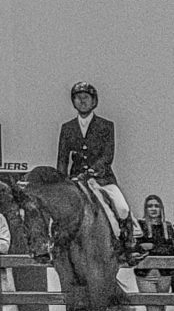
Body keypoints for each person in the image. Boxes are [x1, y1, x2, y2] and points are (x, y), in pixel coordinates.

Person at [57, 83, 135, 254]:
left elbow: (108, 155)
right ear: (73, 101)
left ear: (94, 101)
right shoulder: (67, 128)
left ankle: (127, 244)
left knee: (122, 208)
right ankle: (53, 246)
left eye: (86, 98)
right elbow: (62, 159)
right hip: (76, 181)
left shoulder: (106, 126)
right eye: (78, 98)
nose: (82, 101)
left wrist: (94, 169)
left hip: (102, 178)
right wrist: (61, 183)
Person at [137, 194, 172, 311]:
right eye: (150, 206)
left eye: (156, 206)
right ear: (146, 208)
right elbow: (135, 248)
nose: (153, 209)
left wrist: (151, 249)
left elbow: (170, 249)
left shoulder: (168, 227)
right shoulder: (140, 226)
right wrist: (153, 249)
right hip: (146, 275)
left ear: (161, 209)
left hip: (165, 274)